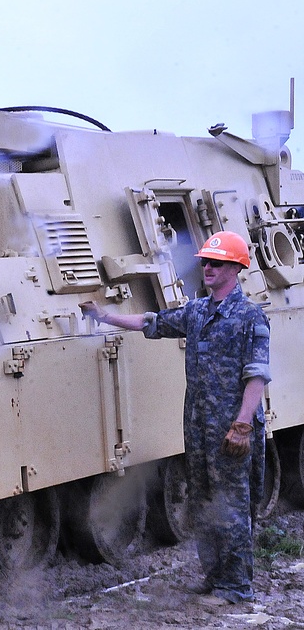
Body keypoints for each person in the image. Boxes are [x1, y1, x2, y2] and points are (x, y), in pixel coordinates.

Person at [80, 231, 270, 606]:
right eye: (205, 262)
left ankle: (236, 587)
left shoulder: (250, 317)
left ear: (236, 267)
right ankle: (215, 578)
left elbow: (257, 374)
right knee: (202, 503)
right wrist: (104, 317)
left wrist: (243, 424)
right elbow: (152, 322)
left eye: (215, 263)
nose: (208, 268)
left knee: (232, 506)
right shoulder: (198, 312)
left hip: (233, 429)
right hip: (200, 428)